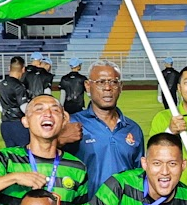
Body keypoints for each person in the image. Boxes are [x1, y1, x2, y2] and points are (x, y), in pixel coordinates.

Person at [60, 62, 143, 191]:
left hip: (125, 203)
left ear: (120, 87)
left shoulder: (133, 129)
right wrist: (58, 139)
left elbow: (139, 174)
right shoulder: (72, 124)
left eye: (113, 82)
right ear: (88, 86)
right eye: (100, 82)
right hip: (86, 203)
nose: (107, 88)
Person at [0, 56, 31, 149]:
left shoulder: (1, 84)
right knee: (24, 153)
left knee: (11, 153)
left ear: (9, 68)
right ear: (23, 69)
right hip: (18, 124)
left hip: (5, 124)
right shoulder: (19, 86)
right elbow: (23, 107)